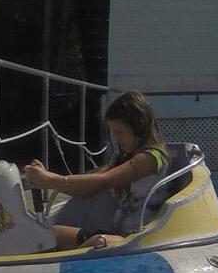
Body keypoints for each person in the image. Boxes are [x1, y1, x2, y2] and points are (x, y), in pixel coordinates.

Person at [21, 91, 169, 249]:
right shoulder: (124, 157)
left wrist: (50, 179)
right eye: (113, 132)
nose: (116, 138)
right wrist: (47, 181)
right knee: (52, 235)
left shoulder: (151, 158)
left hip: (137, 238)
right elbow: (88, 190)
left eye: (120, 132)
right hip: (117, 233)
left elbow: (103, 182)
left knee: (98, 241)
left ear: (139, 126)